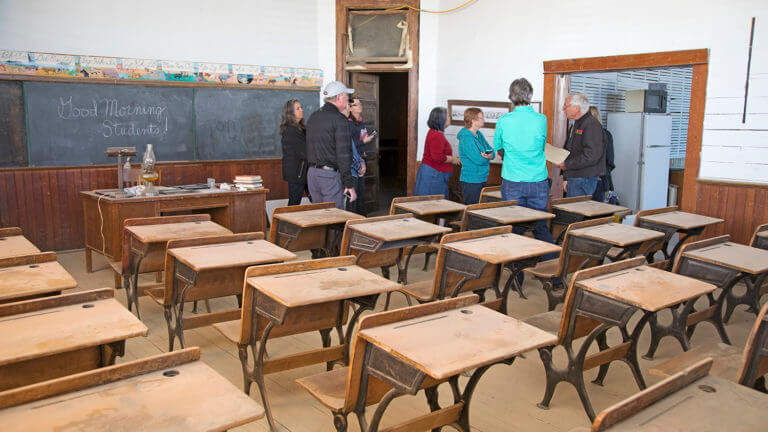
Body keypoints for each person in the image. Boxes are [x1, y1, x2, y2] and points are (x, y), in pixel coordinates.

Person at [493, 78, 555, 247]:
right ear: (530, 95)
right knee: (540, 225)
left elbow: (499, 148)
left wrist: (508, 155)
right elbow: (541, 146)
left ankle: (516, 269)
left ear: (511, 96)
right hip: (538, 180)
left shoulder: (504, 120)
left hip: (513, 179)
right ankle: (554, 263)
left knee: (513, 227)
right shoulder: (541, 119)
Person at [306, 81, 357, 209]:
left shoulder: (313, 116)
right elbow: (343, 154)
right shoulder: (340, 120)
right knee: (334, 218)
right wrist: (349, 184)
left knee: (320, 217)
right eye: (346, 97)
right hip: (329, 177)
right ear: (339, 97)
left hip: (312, 174)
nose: (348, 101)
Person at [556, 92, 605, 197]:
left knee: (576, 212)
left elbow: (592, 155)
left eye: (566, 106)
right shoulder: (576, 124)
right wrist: (566, 177)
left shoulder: (591, 124)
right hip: (574, 177)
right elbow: (571, 151)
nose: (563, 109)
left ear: (577, 108)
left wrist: (567, 165)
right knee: (571, 211)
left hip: (583, 178)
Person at [414, 107, 460, 198]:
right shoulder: (436, 135)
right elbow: (438, 157)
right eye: (447, 116)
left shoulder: (435, 133)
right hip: (434, 175)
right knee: (433, 204)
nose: (449, 117)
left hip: (434, 173)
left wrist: (453, 158)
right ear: (440, 119)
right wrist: (452, 159)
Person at [458, 107, 493, 204]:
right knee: (472, 210)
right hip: (471, 180)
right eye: (481, 118)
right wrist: (487, 158)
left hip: (481, 177)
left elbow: (490, 151)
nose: (484, 120)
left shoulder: (478, 134)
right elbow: (478, 160)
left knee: (478, 209)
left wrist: (489, 156)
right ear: (473, 120)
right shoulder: (466, 137)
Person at [347, 96, 375, 215]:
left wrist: (364, 149)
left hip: (361, 160)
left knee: (361, 193)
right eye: (356, 104)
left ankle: (362, 219)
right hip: (352, 163)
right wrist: (363, 142)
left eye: (360, 104)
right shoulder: (348, 124)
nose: (360, 106)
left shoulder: (361, 122)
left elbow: (360, 140)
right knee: (354, 194)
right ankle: (354, 221)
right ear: (350, 108)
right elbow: (349, 144)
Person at [280, 99, 309, 206]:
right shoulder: (291, 131)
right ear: (290, 113)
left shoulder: (301, 128)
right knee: (294, 203)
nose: (301, 110)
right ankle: (286, 223)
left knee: (316, 200)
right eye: (298, 108)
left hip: (304, 171)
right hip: (297, 173)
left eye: (301, 107)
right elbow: (304, 152)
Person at [588, 106, 616, 202]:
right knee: (597, 212)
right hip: (600, 179)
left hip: (584, 180)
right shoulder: (606, 134)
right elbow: (610, 160)